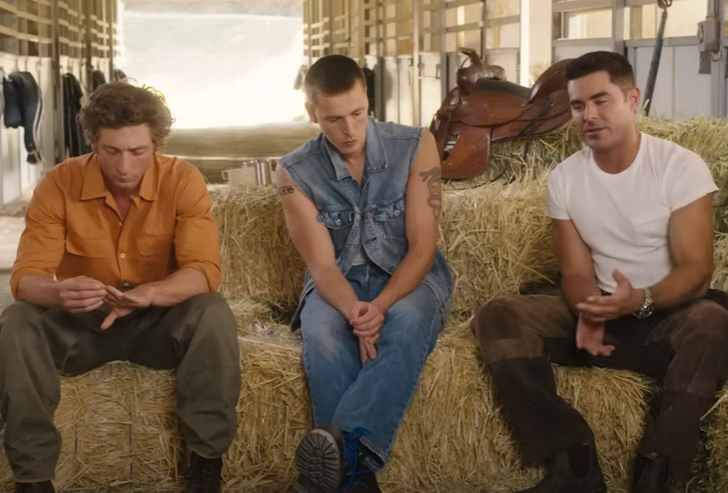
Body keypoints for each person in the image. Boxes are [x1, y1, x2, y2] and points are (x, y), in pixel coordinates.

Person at [471, 50, 728, 492]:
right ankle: (573, 462)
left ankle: (658, 471)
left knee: (712, 322)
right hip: (600, 316)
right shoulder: (565, 179)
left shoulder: (680, 167)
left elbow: (696, 271)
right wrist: (590, 310)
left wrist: (641, 299)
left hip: (666, 317)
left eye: (601, 100)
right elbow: (573, 270)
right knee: (497, 316)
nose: (588, 115)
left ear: (632, 98)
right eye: (577, 105)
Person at [0, 82, 241, 493]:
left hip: (156, 320)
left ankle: (206, 462)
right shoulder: (58, 183)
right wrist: (58, 293)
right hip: (82, 324)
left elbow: (203, 271)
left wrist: (149, 294)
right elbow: (26, 277)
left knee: (213, 312)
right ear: (92, 142)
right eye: (111, 152)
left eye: (138, 152)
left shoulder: (183, 180)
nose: (125, 166)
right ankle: (33, 477)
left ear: (157, 144)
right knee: (18, 320)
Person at [275, 54, 453, 493]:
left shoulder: (415, 144)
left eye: (357, 114)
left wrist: (382, 307)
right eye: (333, 119)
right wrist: (357, 311)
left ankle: (341, 462)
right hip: (337, 285)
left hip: (409, 278)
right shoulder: (292, 171)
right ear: (311, 114)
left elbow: (423, 246)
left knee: (408, 322)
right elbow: (320, 265)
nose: (349, 130)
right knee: (322, 335)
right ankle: (356, 480)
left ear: (368, 101)